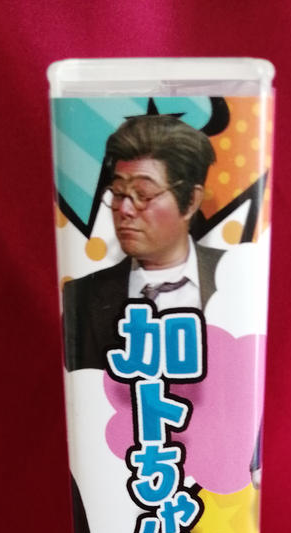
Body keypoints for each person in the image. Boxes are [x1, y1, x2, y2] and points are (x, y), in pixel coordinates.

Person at [63, 114, 223, 372]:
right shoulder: (81, 298)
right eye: (118, 193)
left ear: (191, 201)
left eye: (143, 194)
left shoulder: (238, 276)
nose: (124, 209)